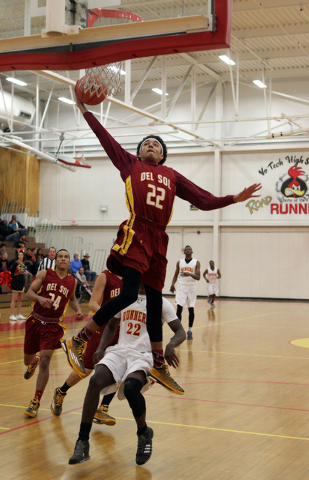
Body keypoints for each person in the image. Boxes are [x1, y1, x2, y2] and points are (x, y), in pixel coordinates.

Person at [62, 93, 262, 395]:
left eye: (156, 143)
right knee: (129, 294)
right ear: (139, 153)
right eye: (145, 143)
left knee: (155, 301)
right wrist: (85, 111)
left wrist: (234, 198)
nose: (150, 145)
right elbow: (106, 139)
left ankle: (157, 362)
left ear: (164, 155)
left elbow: (204, 200)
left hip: (160, 237)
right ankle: (80, 338)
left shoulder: (172, 175)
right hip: (137, 229)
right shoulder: (129, 165)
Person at [68, 284, 186, 466]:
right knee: (95, 380)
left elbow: (180, 331)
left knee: (131, 388)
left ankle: (143, 433)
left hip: (145, 355)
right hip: (120, 350)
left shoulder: (161, 303)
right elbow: (111, 325)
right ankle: (82, 441)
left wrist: (171, 345)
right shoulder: (125, 298)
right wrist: (101, 347)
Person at [51, 269, 122, 422]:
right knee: (86, 369)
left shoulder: (132, 277)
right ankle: (61, 391)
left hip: (122, 330)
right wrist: (111, 315)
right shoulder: (105, 276)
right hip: (103, 327)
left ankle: (103, 407)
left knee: (119, 367)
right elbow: (92, 304)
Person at [23, 249, 84, 418]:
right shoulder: (45, 273)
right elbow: (29, 293)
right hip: (35, 320)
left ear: (69, 262)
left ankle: (36, 401)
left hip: (53, 325)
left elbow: (71, 299)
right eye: (60, 257)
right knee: (27, 360)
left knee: (46, 361)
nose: (63, 259)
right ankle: (32, 362)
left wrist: (78, 311)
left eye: (66, 257)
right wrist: (40, 299)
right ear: (55, 261)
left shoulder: (73, 282)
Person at [170, 245, 200, 340]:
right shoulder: (179, 262)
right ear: (184, 252)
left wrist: (189, 274)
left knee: (191, 310)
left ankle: (190, 331)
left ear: (192, 251)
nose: (187, 251)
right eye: (186, 250)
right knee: (179, 309)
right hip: (181, 286)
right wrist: (172, 284)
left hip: (192, 287)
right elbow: (175, 274)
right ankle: (178, 332)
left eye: (189, 249)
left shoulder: (196, 262)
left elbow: (198, 277)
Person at [10, 250, 27, 321]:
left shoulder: (23, 264)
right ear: (17, 256)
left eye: (21, 255)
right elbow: (12, 273)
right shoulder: (15, 263)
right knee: (14, 299)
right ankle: (11, 315)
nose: (20, 256)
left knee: (20, 299)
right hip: (16, 282)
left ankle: (18, 314)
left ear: (23, 256)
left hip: (22, 282)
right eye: (19, 255)